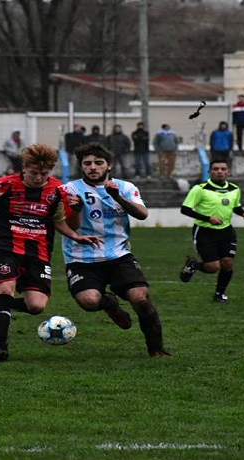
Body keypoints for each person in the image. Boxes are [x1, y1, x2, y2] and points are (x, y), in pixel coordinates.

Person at [0, 143, 101, 362]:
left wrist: (76, 236)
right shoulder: (4, 185)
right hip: (5, 246)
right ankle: (0, 347)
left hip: (38, 251)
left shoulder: (58, 190)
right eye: (34, 173)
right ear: (24, 167)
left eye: (44, 173)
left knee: (36, 306)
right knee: (5, 289)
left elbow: (58, 221)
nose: (39, 178)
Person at [61, 142, 170, 357]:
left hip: (118, 255)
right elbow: (70, 226)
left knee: (140, 297)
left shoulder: (125, 187)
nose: (93, 167)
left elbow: (142, 214)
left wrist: (117, 197)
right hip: (81, 258)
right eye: (87, 163)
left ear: (109, 165)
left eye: (98, 163)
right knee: (89, 301)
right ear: (81, 167)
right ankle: (110, 304)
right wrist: (75, 210)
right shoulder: (69, 190)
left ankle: (156, 349)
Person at [178, 159, 244, 303]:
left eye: (223, 169)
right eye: (216, 169)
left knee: (228, 262)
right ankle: (194, 265)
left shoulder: (234, 189)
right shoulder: (200, 189)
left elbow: (235, 206)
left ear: (228, 172)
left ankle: (220, 294)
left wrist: (243, 213)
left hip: (226, 231)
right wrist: (207, 218)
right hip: (205, 232)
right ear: (210, 172)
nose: (220, 171)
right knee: (213, 267)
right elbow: (185, 209)